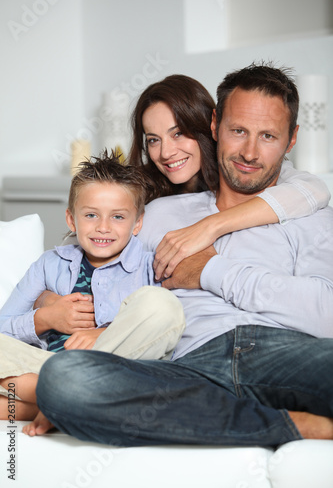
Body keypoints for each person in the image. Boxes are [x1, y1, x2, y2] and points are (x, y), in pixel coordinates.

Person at [34, 63, 333, 446]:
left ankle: (219, 420)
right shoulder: (160, 213)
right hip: (189, 365)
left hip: (285, 353)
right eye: (238, 131)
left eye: (269, 136)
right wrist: (50, 302)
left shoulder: (311, 214)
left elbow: (326, 315)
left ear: (291, 141)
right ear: (214, 126)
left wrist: (209, 270)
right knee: (65, 380)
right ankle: (291, 426)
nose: (250, 152)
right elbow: (77, 263)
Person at [0, 153, 185, 428]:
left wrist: (105, 333)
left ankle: (66, 395)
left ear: (137, 223)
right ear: (71, 220)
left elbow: (164, 329)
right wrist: (45, 318)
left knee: (162, 305)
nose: (103, 227)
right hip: (46, 367)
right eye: (90, 215)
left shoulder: (151, 266)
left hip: (114, 370)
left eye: (118, 217)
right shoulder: (49, 264)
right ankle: (59, 398)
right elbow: (3, 327)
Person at [129, 74, 330, 281]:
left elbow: (314, 189)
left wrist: (209, 226)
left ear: (208, 127)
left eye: (178, 133)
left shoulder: (243, 170)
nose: (165, 152)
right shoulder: (147, 199)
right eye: (153, 140)